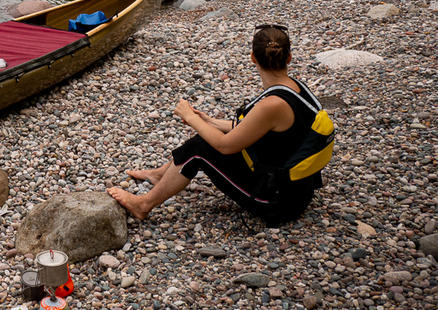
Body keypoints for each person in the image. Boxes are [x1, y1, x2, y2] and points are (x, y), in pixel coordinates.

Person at [107, 24, 326, 226]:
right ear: (289, 58)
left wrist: (191, 118)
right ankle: (158, 175)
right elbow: (256, 129)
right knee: (205, 135)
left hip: (275, 200)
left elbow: (224, 146)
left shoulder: (272, 104)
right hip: (297, 191)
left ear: (252, 58)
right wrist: (210, 121)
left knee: (199, 148)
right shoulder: (295, 88)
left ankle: (143, 205)